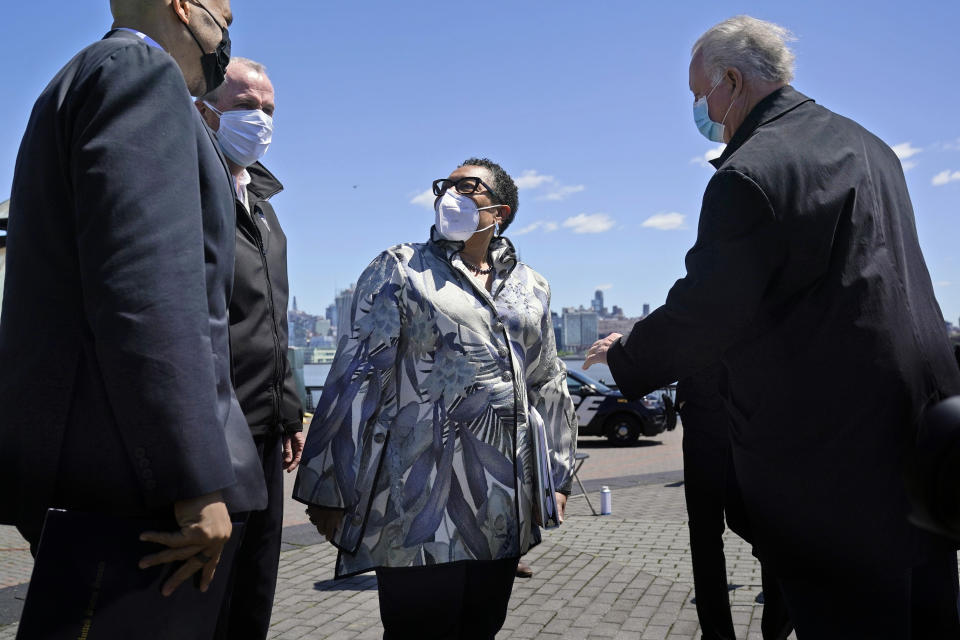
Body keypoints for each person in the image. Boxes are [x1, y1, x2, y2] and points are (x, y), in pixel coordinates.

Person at [585, 15, 960, 639]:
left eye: (700, 95)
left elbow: (706, 313)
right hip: (925, 445)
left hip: (834, 465)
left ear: (731, 81)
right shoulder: (872, 145)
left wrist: (625, 357)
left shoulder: (750, 173)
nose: (702, 111)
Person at [0, 0, 267, 600]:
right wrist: (192, 482)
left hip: (93, 468)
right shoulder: (140, 75)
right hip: (136, 488)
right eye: (225, 21)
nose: (225, 39)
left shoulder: (81, 77)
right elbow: (147, 294)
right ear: (184, 8)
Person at [295, 158, 577, 639]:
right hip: (417, 502)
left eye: (468, 187)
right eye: (445, 186)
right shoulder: (401, 268)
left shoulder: (533, 287)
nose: (451, 195)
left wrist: (560, 475)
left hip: (501, 505)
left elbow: (547, 381)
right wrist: (327, 486)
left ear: (500, 211)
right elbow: (357, 372)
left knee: (480, 627)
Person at [193, 58, 304, 639]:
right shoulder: (186, 186)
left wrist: (289, 409)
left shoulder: (261, 204)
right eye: (244, 107)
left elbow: (273, 319)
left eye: (268, 110)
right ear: (204, 109)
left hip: (264, 434)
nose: (259, 120)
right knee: (204, 596)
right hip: (212, 433)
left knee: (253, 592)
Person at [677, 365, 790, 640]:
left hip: (737, 408)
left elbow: (682, 328)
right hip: (725, 407)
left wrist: (627, 353)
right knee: (712, 534)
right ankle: (732, 633)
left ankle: (775, 624)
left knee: (735, 528)